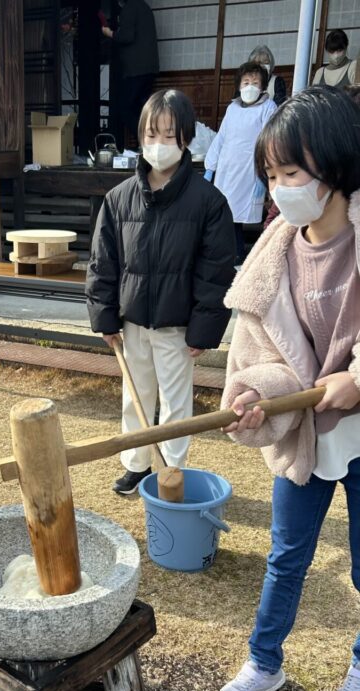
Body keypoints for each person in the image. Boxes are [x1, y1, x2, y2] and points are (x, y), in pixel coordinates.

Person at [215, 86, 360, 691]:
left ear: (333, 167)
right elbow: (265, 361)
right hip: (308, 433)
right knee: (285, 556)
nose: (280, 188)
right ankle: (264, 662)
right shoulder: (272, 258)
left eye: (292, 172)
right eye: (271, 175)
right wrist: (257, 396)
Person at [85, 89, 235, 497]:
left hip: (177, 326)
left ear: (186, 139)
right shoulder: (119, 199)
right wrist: (104, 316)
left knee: (174, 401)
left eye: (169, 136)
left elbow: (216, 271)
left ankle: (171, 468)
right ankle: (135, 463)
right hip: (132, 322)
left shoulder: (208, 202)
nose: (159, 145)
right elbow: (103, 261)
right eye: (151, 135)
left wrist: (203, 329)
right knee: (135, 398)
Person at [204, 61, 276, 266]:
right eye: (246, 82)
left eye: (255, 82)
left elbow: (270, 139)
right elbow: (221, 138)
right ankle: (232, 255)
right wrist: (210, 167)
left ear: (263, 86)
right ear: (239, 85)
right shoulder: (232, 108)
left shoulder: (268, 107)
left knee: (243, 215)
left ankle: (246, 258)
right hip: (227, 169)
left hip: (250, 170)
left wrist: (266, 173)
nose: (250, 86)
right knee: (224, 214)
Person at [101, 0, 159, 142]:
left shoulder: (129, 8)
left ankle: (146, 141)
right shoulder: (144, 7)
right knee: (142, 110)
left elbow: (127, 36)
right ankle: (148, 142)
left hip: (135, 70)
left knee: (124, 109)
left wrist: (110, 33)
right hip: (149, 68)